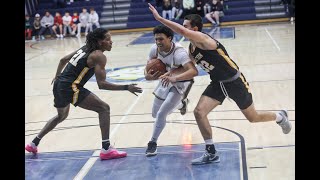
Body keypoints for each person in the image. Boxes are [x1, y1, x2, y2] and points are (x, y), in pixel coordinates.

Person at [148, 3, 292, 165]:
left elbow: (180, 32)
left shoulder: (204, 40)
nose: (183, 29)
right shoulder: (192, 48)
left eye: (186, 27)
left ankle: (280, 116)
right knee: (199, 112)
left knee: (253, 117)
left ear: (195, 29)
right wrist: (171, 73)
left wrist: (160, 19)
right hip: (217, 83)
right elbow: (188, 69)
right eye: (183, 26)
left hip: (234, 81)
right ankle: (211, 152)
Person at [25, 28, 143, 160]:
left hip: (59, 84)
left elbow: (63, 60)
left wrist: (57, 76)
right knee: (104, 109)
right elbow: (102, 84)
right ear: (99, 42)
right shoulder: (99, 56)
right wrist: (126, 87)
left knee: (61, 116)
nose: (111, 42)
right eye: (108, 39)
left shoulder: (85, 48)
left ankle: (33, 143)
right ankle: (106, 149)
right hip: (70, 87)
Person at [144, 25, 198, 156]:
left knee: (162, 113)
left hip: (181, 82)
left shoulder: (179, 53)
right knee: (155, 114)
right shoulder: (154, 50)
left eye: (161, 39)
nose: (158, 42)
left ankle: (152, 143)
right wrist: (147, 75)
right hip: (166, 79)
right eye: (156, 39)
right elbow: (147, 68)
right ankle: (181, 104)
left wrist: (175, 78)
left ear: (170, 38)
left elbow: (193, 71)